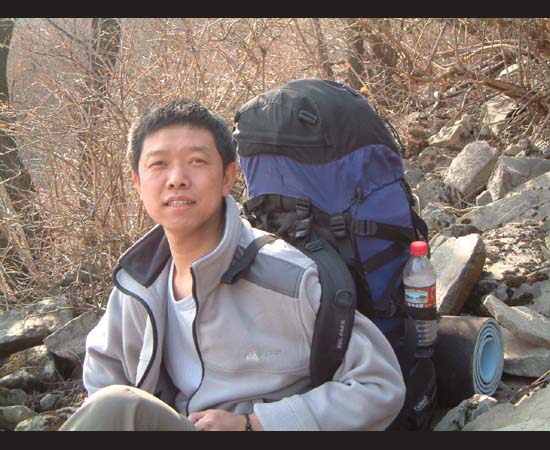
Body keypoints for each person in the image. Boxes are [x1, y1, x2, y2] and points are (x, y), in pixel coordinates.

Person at [59, 98, 406, 431]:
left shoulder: (287, 279)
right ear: (137, 183)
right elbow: (102, 377)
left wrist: (255, 425)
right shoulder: (139, 284)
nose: (176, 178)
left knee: (117, 407)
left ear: (228, 178)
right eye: (158, 164)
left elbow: (379, 386)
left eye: (196, 161)